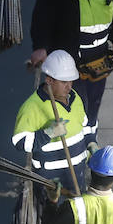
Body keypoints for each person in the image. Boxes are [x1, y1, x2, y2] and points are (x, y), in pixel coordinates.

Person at [28, 0, 113, 139]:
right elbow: (42, 19)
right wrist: (41, 47)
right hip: (69, 61)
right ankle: (71, 140)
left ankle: (90, 139)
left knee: (94, 102)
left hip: (98, 59)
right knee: (73, 103)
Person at [12, 49, 92, 185]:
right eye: (64, 82)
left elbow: (84, 125)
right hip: (50, 179)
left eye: (70, 81)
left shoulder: (74, 97)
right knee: (51, 205)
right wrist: (48, 133)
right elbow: (19, 142)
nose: (69, 87)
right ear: (49, 80)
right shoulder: (32, 107)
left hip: (77, 173)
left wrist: (91, 141)